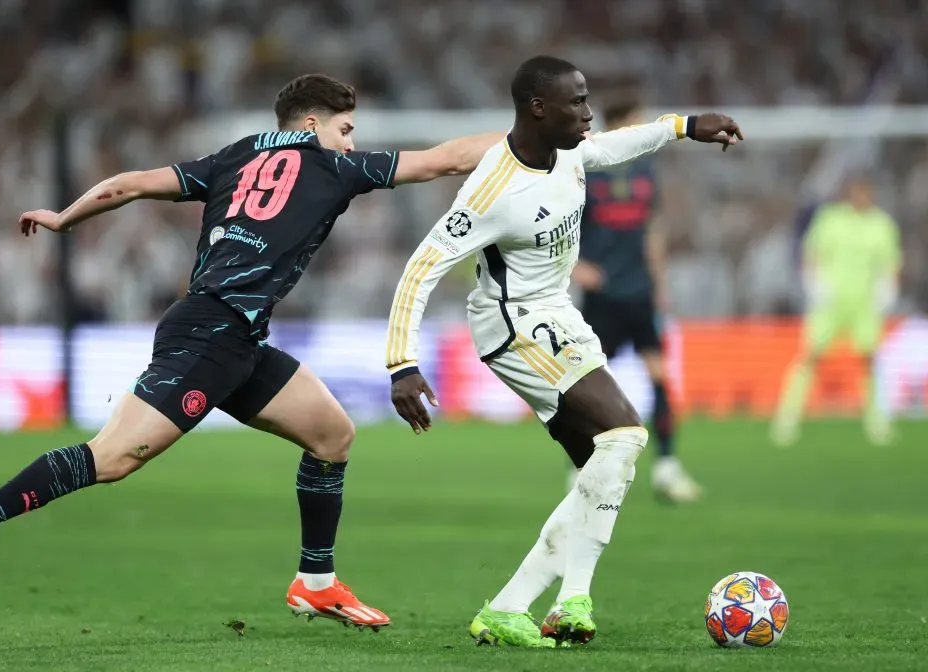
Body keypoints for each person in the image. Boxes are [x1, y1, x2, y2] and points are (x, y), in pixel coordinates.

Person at [0, 74, 501, 631]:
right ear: (310, 124)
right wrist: (527, 139)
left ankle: (317, 581)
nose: (351, 141)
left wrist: (65, 217)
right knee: (114, 458)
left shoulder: (234, 156)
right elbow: (447, 159)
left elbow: (130, 183)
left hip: (232, 334)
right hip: (212, 335)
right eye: (345, 128)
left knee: (332, 435)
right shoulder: (336, 166)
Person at [384, 56, 741, 647]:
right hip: (512, 325)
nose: (588, 111)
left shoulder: (571, 150)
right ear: (537, 108)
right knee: (624, 434)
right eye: (576, 102)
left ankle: (544, 603)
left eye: (587, 98)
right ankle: (548, 599)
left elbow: (618, 144)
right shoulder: (492, 188)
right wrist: (402, 365)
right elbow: (422, 268)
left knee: (601, 466)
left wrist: (686, 125)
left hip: (558, 315)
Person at [574, 97, 701, 503]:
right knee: (588, 387)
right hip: (603, 294)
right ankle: (581, 470)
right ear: (619, 126)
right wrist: (576, 268)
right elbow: (560, 224)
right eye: (637, 122)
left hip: (640, 292)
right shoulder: (587, 169)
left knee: (660, 377)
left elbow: (652, 232)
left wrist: (659, 282)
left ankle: (666, 468)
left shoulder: (646, 172)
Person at [771, 174, 901, 447]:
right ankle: (787, 418)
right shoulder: (831, 220)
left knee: (869, 360)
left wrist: (888, 288)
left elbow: (891, 262)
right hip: (830, 302)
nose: (861, 198)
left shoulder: (881, 224)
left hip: (864, 303)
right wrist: (814, 283)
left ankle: (877, 422)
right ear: (849, 194)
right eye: (857, 192)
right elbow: (811, 253)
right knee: (810, 355)